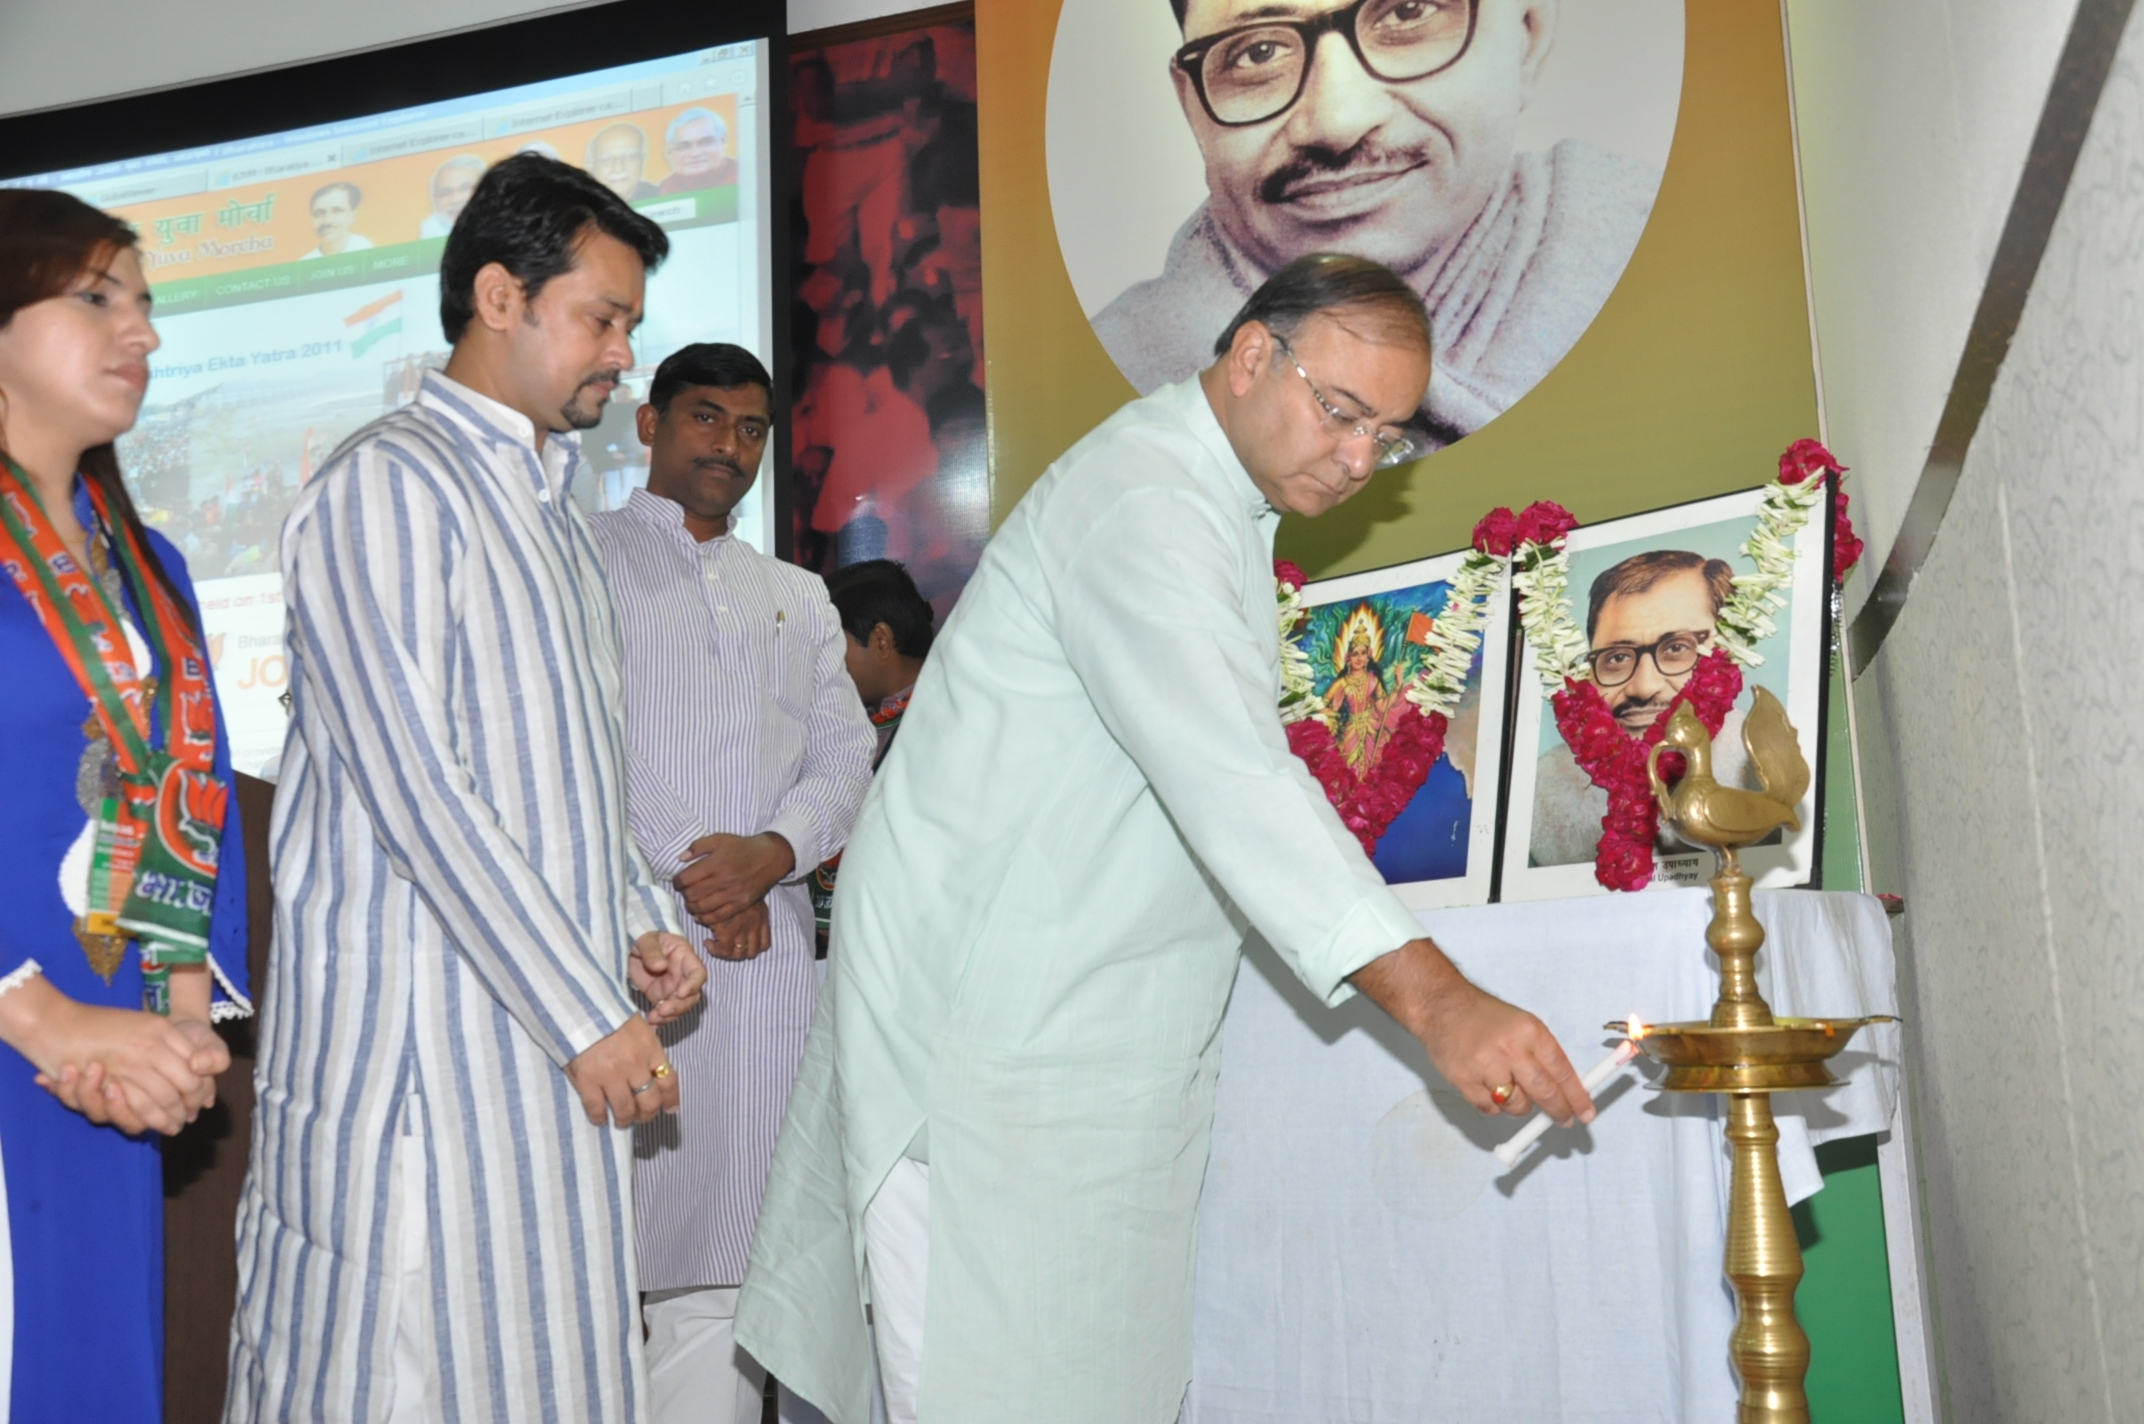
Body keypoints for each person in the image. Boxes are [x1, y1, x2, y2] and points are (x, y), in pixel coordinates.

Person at [735, 253, 1592, 1423]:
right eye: (1341, 414)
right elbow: (1235, 778)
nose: (1356, 459)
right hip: (993, 1049)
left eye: (1386, 437)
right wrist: (1439, 1000)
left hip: (1068, 1041)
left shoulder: (1212, 502)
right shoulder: (1146, 501)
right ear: (1250, 356)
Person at [224, 153, 709, 1424]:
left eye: (628, 327)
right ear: (500, 295)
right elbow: (420, 794)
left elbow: (567, 776)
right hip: (416, 1058)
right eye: (601, 319)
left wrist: (639, 917)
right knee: (392, 1374)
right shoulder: (388, 485)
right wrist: (582, 1007)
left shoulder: (552, 512)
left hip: (541, 1045)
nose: (621, 355)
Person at [590, 342, 875, 1424]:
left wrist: (771, 852)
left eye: (750, 427)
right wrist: (697, 867)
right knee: (600, 1256)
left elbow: (844, 756)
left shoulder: (797, 595)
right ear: (649, 424)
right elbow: (578, 733)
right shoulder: (578, 558)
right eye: (705, 417)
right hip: (623, 938)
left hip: (762, 970)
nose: (729, 444)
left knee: (728, 1264)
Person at [0, 187, 248, 1422]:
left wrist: (182, 1029)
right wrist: (35, 1015)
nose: (140, 332)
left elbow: (192, 792)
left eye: (146, 304)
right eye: (96, 296)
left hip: (113, 1064)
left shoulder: (153, 567)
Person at [1091, 0, 1661, 450]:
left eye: (1406, 13)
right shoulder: (1118, 390)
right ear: (1191, 105)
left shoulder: (1654, 256)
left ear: (1528, 38)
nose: (1338, 121)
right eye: (1258, 53)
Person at [1527, 548, 1759, 866]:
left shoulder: (1760, 762)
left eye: (1677, 648)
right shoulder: (1543, 789)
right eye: (1618, 657)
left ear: (1723, 653)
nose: (1644, 688)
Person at [809, 558, 935, 953]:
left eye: (833, 647)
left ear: (881, 641)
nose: (823, 666)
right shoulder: (857, 722)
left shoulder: (945, 720)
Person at [660, 108, 741, 194]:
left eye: (705, 143)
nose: (695, 153)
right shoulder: (665, 188)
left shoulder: (745, 175)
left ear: (723, 141)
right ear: (669, 152)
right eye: (684, 146)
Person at [588, 122, 661, 203]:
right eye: (606, 160)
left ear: (642, 160)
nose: (618, 168)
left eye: (629, 157)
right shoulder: (581, 205)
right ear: (590, 167)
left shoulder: (662, 195)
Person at [418, 154, 486, 239]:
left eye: (466, 188)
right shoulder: (430, 231)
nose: (456, 199)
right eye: (445, 193)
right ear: (434, 200)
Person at [301, 180, 372, 259]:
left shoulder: (365, 248)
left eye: (337, 211)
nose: (327, 221)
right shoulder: (305, 262)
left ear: (353, 215)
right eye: (319, 213)